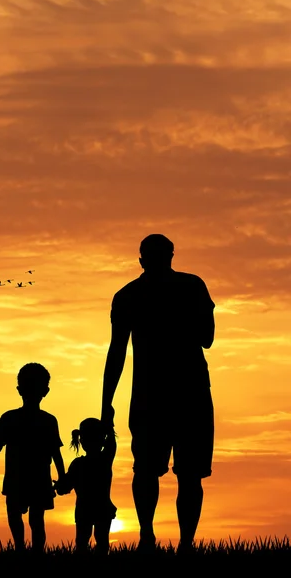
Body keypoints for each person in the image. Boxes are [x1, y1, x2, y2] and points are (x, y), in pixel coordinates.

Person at [100, 234, 215, 554]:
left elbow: (116, 353)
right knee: (188, 474)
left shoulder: (128, 295)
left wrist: (106, 402)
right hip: (189, 392)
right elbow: (208, 338)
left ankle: (149, 537)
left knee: (148, 470)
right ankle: (184, 544)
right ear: (171, 256)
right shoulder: (192, 286)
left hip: (151, 395)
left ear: (141, 260)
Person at [0, 362, 66, 554]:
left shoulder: (48, 421)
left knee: (35, 519)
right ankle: (20, 549)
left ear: (44, 391)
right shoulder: (10, 418)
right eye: (29, 387)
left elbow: (55, 451)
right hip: (18, 478)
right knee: (17, 515)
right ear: (20, 390)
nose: (32, 392)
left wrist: (62, 476)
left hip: (38, 479)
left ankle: (34, 553)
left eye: (35, 387)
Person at [54, 416, 117, 555]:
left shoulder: (79, 464)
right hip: (100, 507)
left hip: (86, 508)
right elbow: (65, 487)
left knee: (83, 542)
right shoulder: (105, 459)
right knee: (100, 541)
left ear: (81, 441)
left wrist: (59, 487)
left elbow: (65, 488)